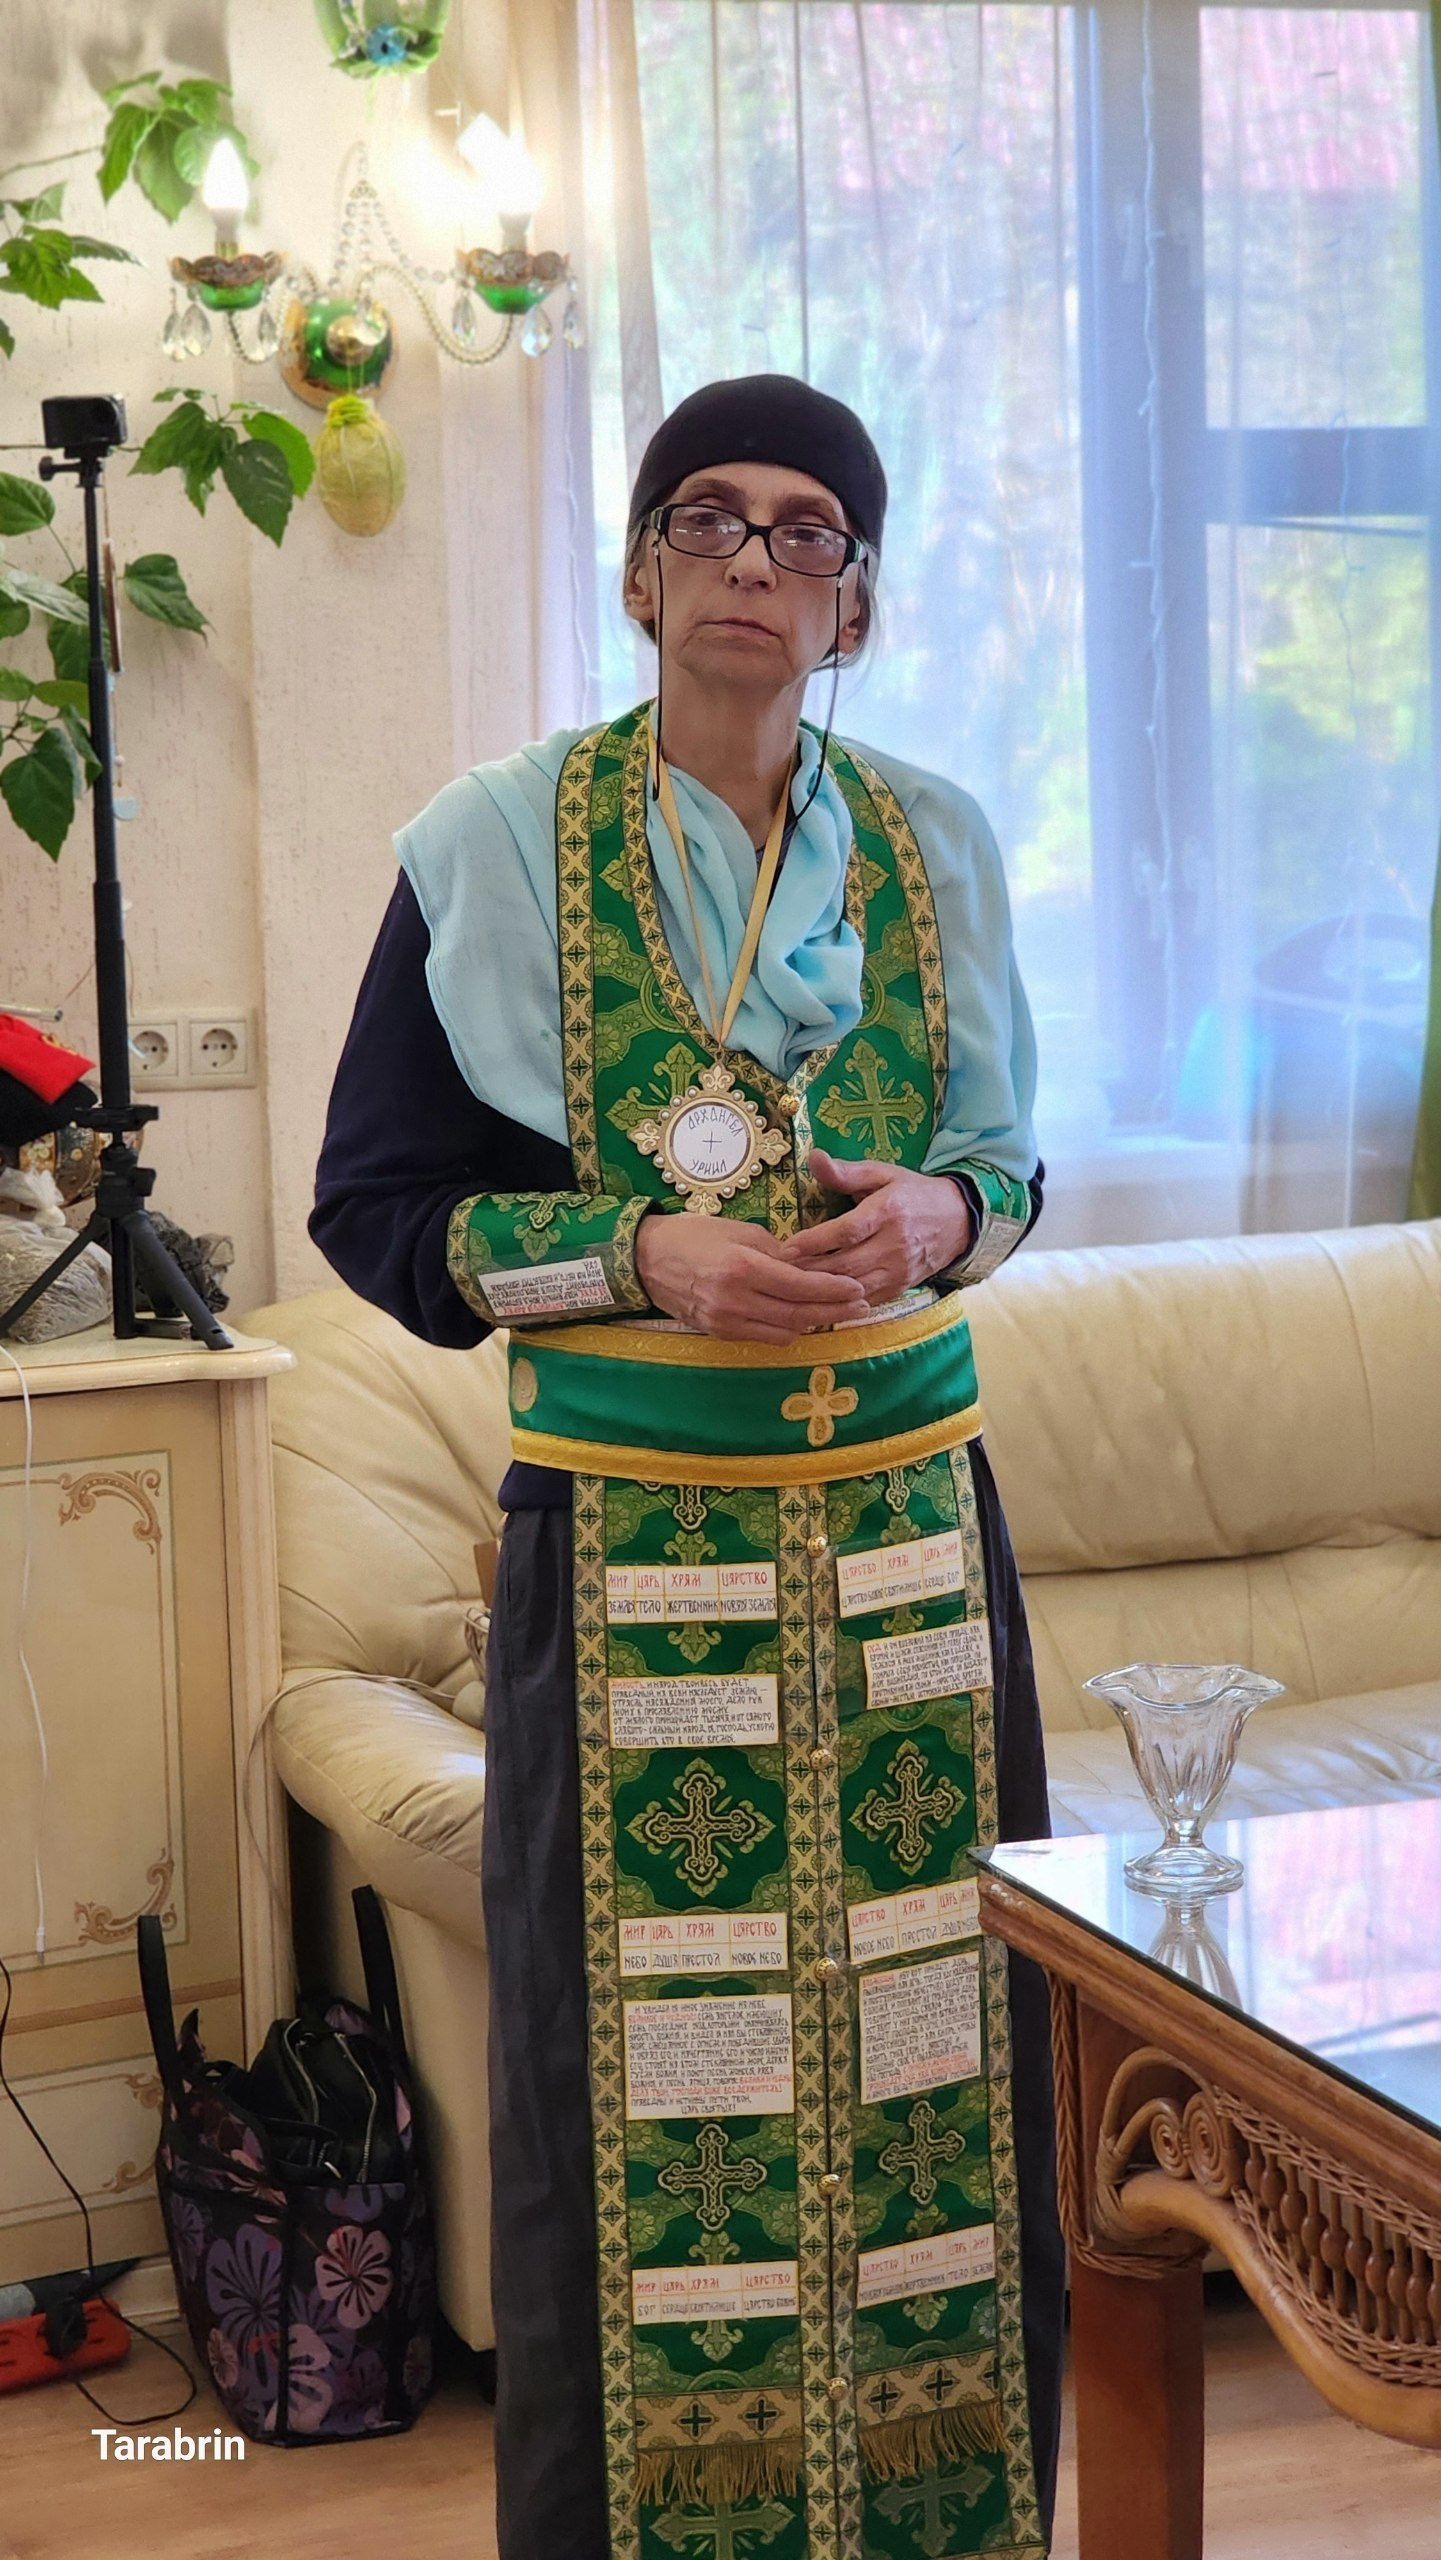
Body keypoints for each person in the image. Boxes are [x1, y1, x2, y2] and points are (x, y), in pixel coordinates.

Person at [313, 373, 1063, 2560]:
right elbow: (376, 1211)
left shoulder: (936, 842)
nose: (753, 558)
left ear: (856, 605)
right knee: (641, 2095)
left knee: (946, 2058)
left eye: (805, 528)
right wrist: (640, 1252)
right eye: (706, 519)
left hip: (913, 1559)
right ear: (641, 575)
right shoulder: (487, 848)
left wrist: (937, 1214)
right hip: (635, 1552)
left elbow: (1010, 1165)